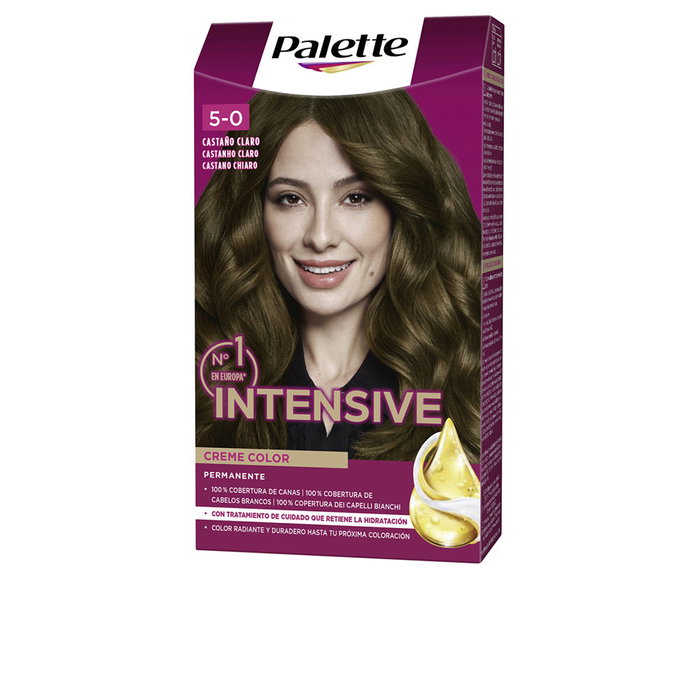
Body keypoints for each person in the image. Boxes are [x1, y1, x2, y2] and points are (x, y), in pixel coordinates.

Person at [195, 90, 481, 462]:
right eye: (290, 198)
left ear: (401, 209)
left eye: (355, 198)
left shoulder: (469, 378)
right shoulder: (207, 376)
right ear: (254, 215)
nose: (320, 237)